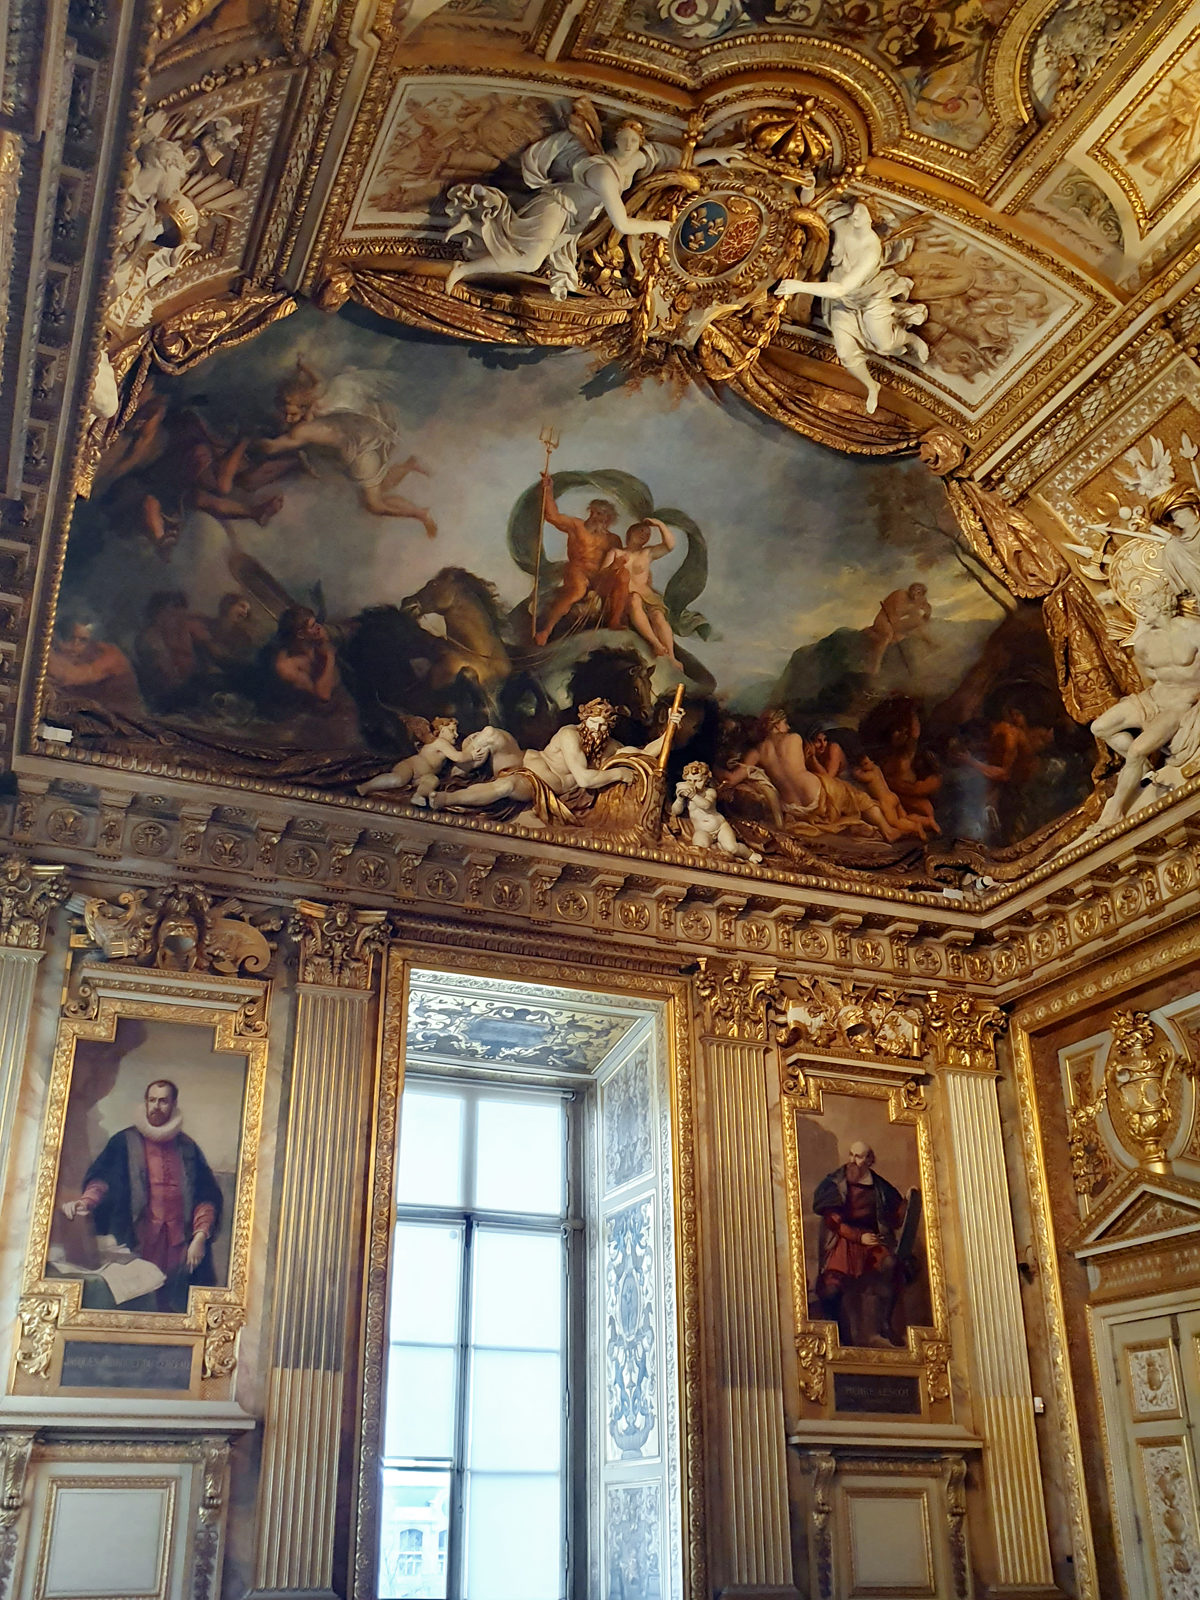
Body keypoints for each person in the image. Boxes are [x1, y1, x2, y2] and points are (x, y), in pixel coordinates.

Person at [60, 1079, 222, 1313]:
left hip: (180, 1246)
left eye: (163, 1101)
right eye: (152, 1100)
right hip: (138, 1242)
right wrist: (85, 1202)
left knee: (177, 1307)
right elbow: (103, 1180)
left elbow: (206, 1196)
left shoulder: (188, 1148)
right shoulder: (124, 1142)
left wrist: (199, 1237)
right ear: (145, 1102)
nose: (156, 1106)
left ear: (173, 1104)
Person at [812, 1140, 909, 1348]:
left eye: (859, 1156)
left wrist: (908, 1202)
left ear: (870, 1160)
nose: (852, 1161)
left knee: (892, 1265)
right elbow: (833, 1221)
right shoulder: (835, 1183)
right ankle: (839, 1335)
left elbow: (895, 1218)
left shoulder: (880, 1187)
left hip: (871, 1242)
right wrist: (857, 1237)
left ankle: (885, 1324)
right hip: (844, 1240)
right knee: (831, 1287)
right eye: (851, 1155)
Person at [532, 476, 624, 646]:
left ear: (608, 519)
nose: (595, 517)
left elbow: (618, 562)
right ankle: (546, 631)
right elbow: (552, 516)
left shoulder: (614, 540)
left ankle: (614, 621)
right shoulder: (577, 526)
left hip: (599, 576)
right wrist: (548, 490)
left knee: (620, 580)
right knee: (577, 591)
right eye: (593, 512)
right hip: (578, 570)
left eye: (601, 514)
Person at [600, 516, 680, 665]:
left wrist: (659, 524)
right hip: (626, 596)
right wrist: (616, 565)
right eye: (641, 531)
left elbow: (670, 545)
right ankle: (656, 644)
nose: (644, 535)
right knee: (635, 600)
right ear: (631, 532)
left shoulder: (648, 553)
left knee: (658, 617)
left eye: (648, 534)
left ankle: (672, 656)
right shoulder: (616, 552)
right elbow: (602, 576)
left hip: (647, 596)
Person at [47, 619, 144, 719]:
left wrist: (46, 650)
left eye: (82, 640)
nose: (75, 645)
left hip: (122, 719)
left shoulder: (112, 656)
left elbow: (71, 677)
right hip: (90, 714)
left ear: (93, 639)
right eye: (70, 638)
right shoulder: (75, 653)